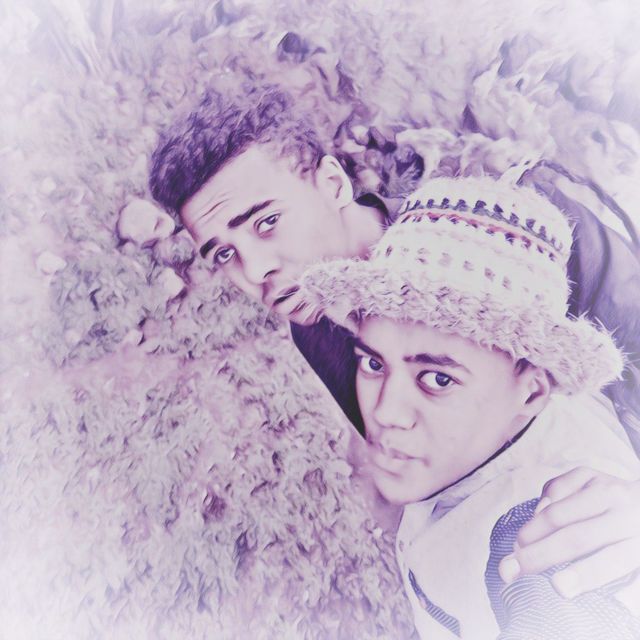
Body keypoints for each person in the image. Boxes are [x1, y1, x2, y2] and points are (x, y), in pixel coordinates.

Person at [148, 84, 640, 598]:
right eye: (224, 254)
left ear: (332, 183)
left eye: (267, 222)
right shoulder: (313, 327)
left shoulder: (515, 240)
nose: (255, 272)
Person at [300, 176, 640, 638]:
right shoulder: (489, 429)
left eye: (438, 379)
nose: (384, 413)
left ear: (532, 393)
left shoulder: (548, 530)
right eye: (373, 363)